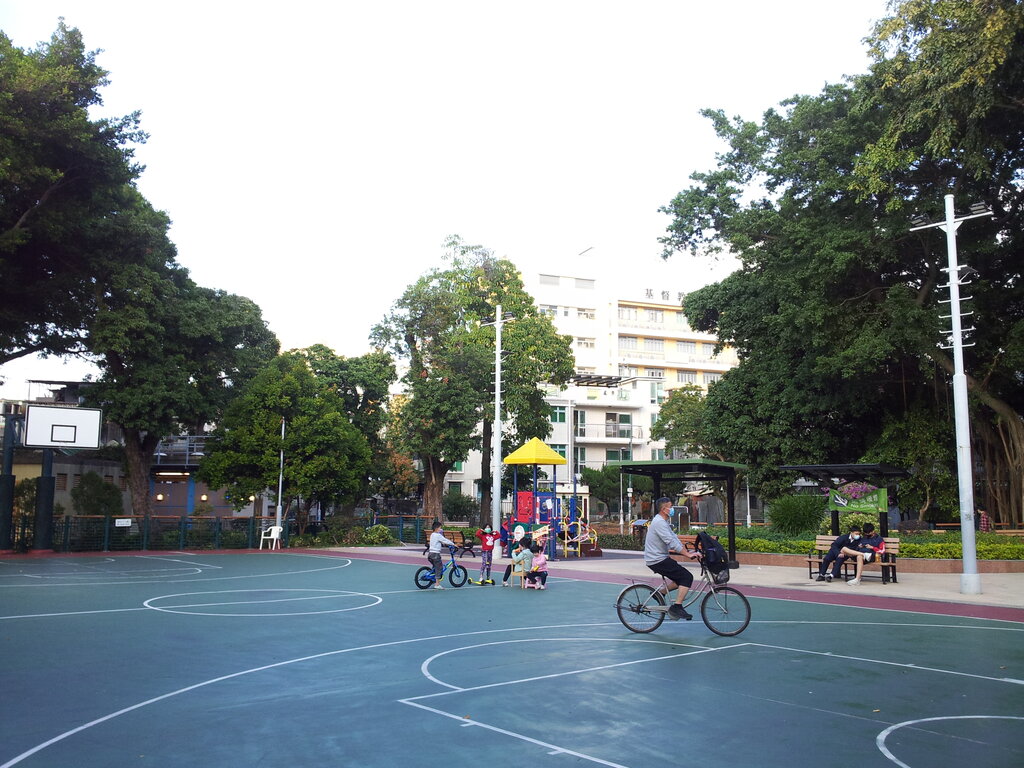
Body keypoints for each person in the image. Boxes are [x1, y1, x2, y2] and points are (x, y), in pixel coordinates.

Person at [644, 496, 701, 620]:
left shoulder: (662, 522)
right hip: (657, 560)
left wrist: (689, 551)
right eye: (670, 507)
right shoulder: (659, 522)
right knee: (687, 577)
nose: (672, 509)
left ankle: (661, 592)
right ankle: (677, 607)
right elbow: (671, 542)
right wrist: (688, 554)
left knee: (680, 578)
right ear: (664, 509)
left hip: (659, 558)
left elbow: (674, 538)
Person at [426, 521, 456, 590]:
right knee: (439, 568)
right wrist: (453, 544)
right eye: (440, 528)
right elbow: (445, 540)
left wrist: (443, 544)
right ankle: (437, 584)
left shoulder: (432, 534)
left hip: (430, 554)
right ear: (436, 528)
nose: (441, 529)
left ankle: (434, 578)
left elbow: (438, 542)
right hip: (436, 554)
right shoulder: (438, 535)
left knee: (435, 567)